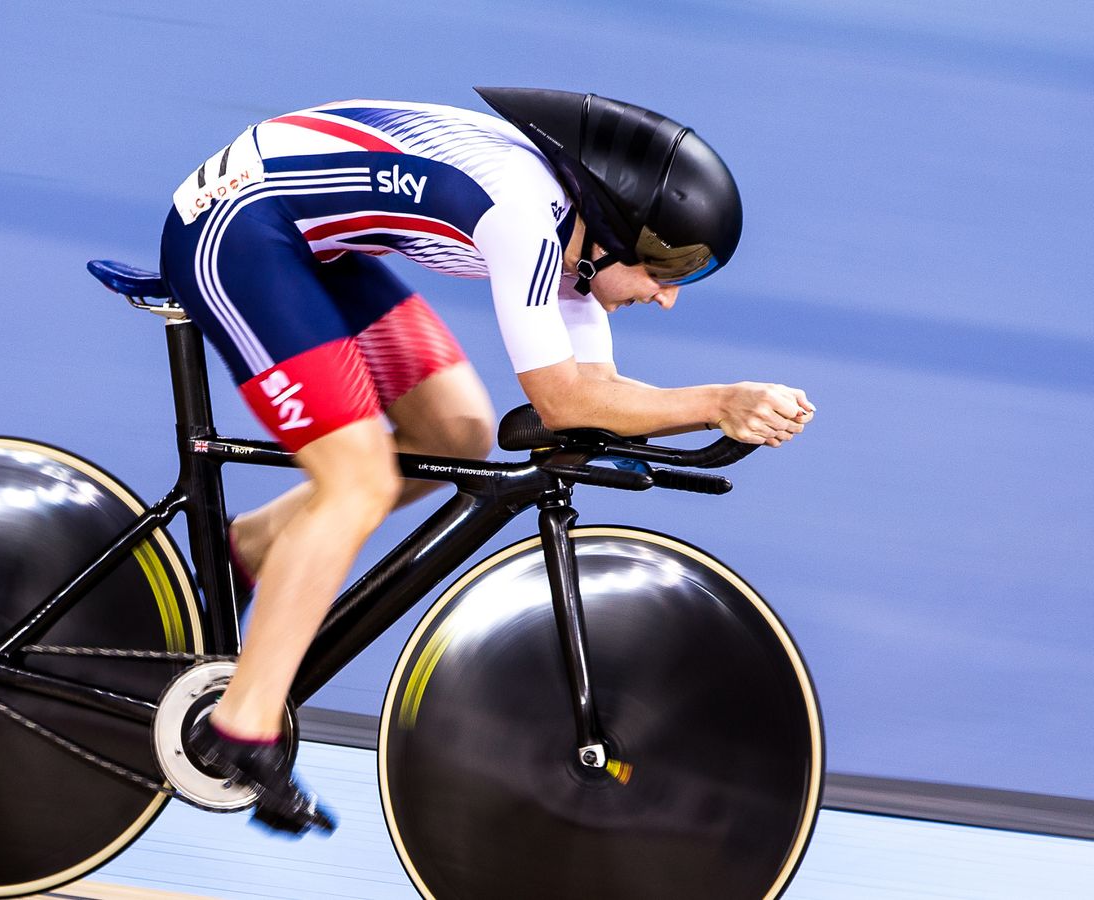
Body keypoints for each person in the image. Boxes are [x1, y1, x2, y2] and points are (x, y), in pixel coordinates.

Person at [158, 87, 814, 835]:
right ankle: (241, 727)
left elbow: (594, 394)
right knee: (358, 483)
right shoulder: (526, 221)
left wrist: (710, 410)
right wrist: (718, 400)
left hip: (312, 244)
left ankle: (255, 552)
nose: (665, 297)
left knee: (456, 434)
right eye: (664, 267)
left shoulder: (578, 247)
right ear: (609, 229)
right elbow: (565, 402)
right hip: (234, 227)